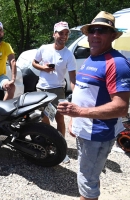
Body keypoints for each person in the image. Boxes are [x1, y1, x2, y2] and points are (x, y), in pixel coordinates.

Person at [57, 11, 130, 200]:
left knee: (86, 181)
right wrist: (75, 120)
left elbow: (121, 107)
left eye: (102, 31)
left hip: (98, 134)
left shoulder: (117, 63)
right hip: (85, 130)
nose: (96, 35)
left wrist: (79, 112)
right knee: (90, 176)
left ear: (113, 35)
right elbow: (84, 93)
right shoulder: (92, 57)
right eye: (92, 30)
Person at [32, 21, 76, 163]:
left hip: (58, 91)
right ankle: (50, 142)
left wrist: (75, 94)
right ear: (54, 34)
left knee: (59, 118)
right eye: (61, 33)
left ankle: (61, 149)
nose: (64, 36)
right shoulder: (44, 48)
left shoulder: (68, 54)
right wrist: (43, 68)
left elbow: (73, 78)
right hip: (42, 89)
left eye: (66, 33)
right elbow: (34, 62)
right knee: (45, 118)